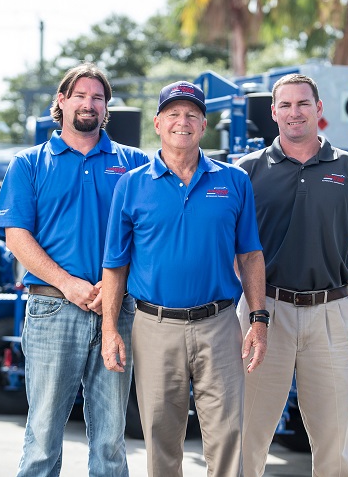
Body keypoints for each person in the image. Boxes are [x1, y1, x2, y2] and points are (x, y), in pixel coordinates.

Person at [100, 80, 269, 477]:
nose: (183, 121)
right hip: (154, 327)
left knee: (228, 435)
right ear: (157, 124)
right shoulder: (132, 185)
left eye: (192, 114)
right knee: (160, 437)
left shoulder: (234, 181)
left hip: (219, 324)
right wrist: (110, 328)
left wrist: (259, 320)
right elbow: (115, 264)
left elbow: (250, 255)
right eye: (173, 114)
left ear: (204, 125)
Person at [0, 62, 149, 477]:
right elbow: (16, 237)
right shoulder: (29, 164)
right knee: (43, 435)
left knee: (112, 439)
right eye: (79, 95)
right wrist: (69, 284)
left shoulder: (134, 164)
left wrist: (113, 289)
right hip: (53, 308)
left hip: (117, 311)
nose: (88, 103)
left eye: (97, 97)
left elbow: (149, 232)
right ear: (60, 102)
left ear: (107, 109)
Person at [235, 73, 348, 477]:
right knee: (245, 435)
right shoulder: (247, 171)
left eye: (303, 103)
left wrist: (337, 285)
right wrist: (256, 304)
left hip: (331, 315)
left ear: (319, 109)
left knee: (336, 441)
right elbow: (231, 247)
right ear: (273, 113)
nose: (294, 112)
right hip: (262, 313)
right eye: (285, 105)